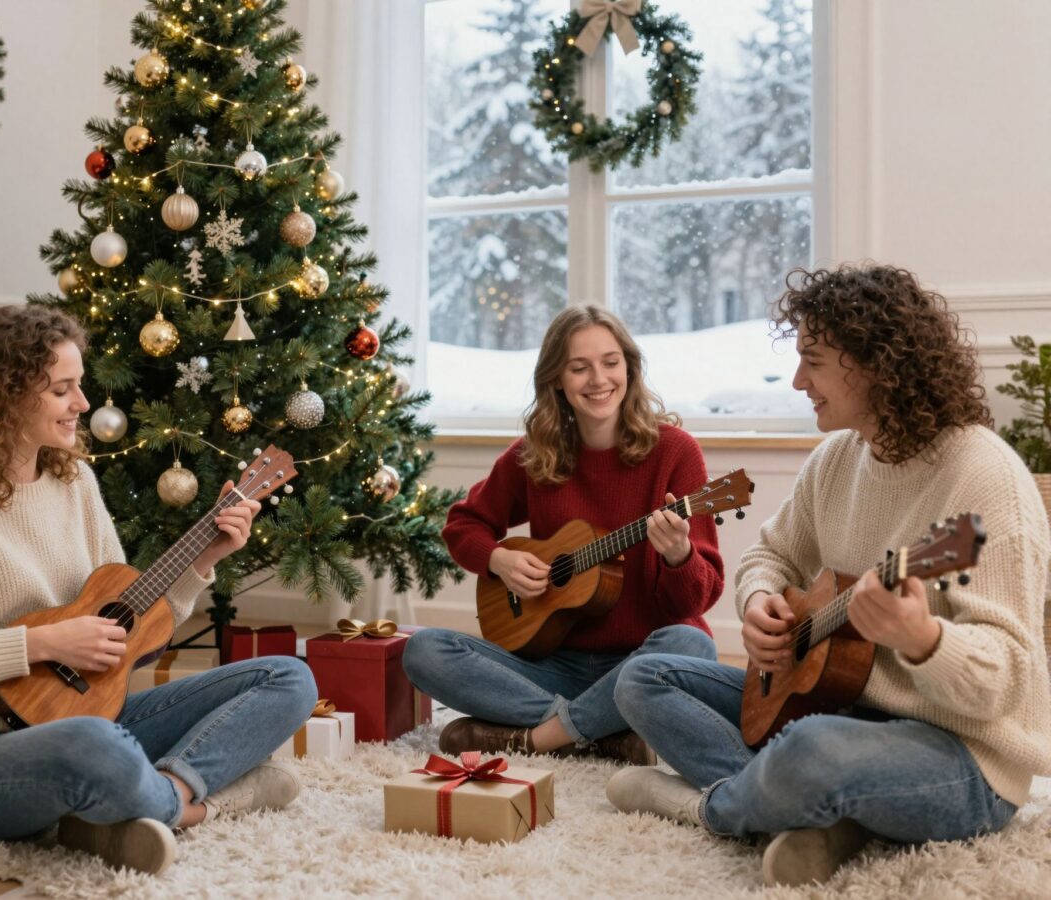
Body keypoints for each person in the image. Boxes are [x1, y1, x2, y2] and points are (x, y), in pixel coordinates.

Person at [606, 265, 1051, 886]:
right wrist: (761, 600)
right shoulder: (836, 460)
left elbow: (1009, 681)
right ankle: (817, 814)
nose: (796, 381)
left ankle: (708, 806)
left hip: (964, 759)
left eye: (812, 361)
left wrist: (924, 640)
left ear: (875, 363)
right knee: (644, 678)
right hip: (840, 706)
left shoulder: (985, 479)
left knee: (812, 749)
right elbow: (771, 556)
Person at [0, 306, 317, 876]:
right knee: (93, 747)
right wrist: (40, 645)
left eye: (79, 386)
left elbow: (126, 626)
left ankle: (145, 797)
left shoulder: (75, 483)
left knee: (288, 678)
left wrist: (207, 558)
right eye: (63, 390)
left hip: (95, 712)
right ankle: (202, 802)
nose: (83, 404)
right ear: (5, 395)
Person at [403, 305, 724, 765]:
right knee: (424, 650)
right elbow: (462, 525)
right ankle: (603, 734)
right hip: (553, 665)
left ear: (629, 368)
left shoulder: (675, 452)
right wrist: (500, 561)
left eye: (611, 363)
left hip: (641, 663)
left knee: (694, 646)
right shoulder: (536, 455)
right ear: (557, 379)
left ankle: (541, 736)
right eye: (580, 367)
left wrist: (678, 556)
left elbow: (695, 602)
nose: (599, 379)